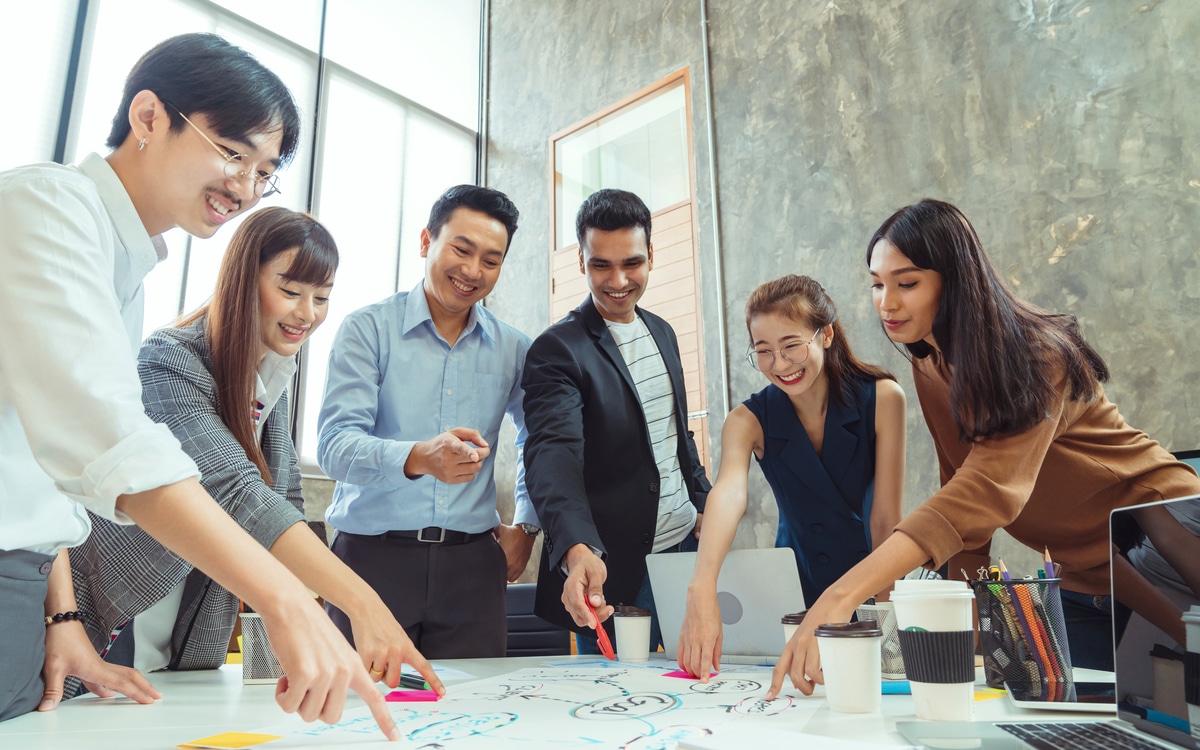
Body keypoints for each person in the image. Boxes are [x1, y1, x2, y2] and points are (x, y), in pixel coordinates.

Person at [0, 33, 401, 737]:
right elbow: (114, 447)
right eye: (232, 152)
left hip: (29, 585)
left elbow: (52, 469)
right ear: (148, 117)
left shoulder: (124, 271)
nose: (244, 187)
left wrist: (59, 616)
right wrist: (289, 600)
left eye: (264, 170)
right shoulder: (48, 209)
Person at [768, 198, 1200, 699]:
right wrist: (967, 651)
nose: (886, 302)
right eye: (877, 283)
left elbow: (985, 491)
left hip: (1168, 538)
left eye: (906, 283)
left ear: (953, 280)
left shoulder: (1039, 353)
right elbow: (966, 520)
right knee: (1058, 712)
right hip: (1091, 576)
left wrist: (843, 594)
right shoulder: (929, 363)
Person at [68, 208, 442, 697]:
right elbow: (237, 493)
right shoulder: (168, 358)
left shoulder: (273, 380)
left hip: (187, 637)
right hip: (111, 612)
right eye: (290, 292)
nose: (307, 313)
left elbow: (285, 503)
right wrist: (362, 604)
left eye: (321, 297)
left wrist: (320, 629)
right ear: (243, 280)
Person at [317, 185, 538, 658]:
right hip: (371, 560)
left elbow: (539, 439)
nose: (472, 271)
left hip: (474, 568)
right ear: (426, 241)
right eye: (461, 249)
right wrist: (418, 457)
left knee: (476, 715)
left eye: (491, 260)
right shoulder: (367, 330)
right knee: (360, 715)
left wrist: (527, 523)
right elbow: (334, 446)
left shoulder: (515, 348)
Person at [678, 275, 905, 679]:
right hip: (794, 594)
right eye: (763, 352)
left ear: (827, 334)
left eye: (791, 346)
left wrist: (885, 623)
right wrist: (702, 586)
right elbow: (729, 494)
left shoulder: (883, 398)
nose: (780, 365)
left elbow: (886, 520)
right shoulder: (747, 420)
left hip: (868, 584)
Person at [522, 188, 711, 653]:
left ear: (651, 255)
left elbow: (675, 432)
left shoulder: (662, 331)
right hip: (609, 568)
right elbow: (553, 454)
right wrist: (576, 546)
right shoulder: (558, 349)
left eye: (632, 263)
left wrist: (703, 499)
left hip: (683, 552)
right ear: (580, 263)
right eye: (600, 265)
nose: (619, 280)